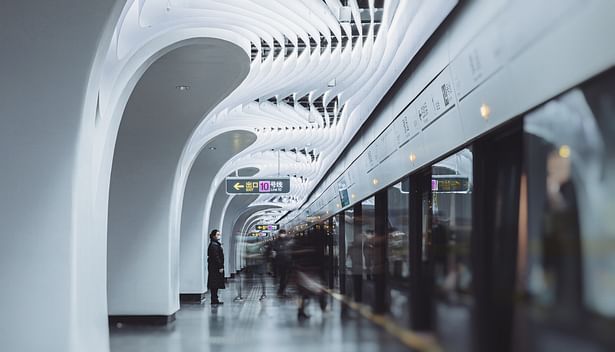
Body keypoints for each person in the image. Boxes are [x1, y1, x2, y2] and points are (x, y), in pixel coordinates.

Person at [272, 229, 293, 297]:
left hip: (288, 262)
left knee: (286, 277)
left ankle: (281, 291)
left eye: (283, 233)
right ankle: (281, 291)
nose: (282, 235)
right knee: (283, 277)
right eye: (282, 233)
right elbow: (274, 251)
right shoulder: (276, 242)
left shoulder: (288, 240)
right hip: (281, 262)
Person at [207, 229, 225, 305]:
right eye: (217, 234)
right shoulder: (214, 245)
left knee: (215, 283)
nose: (219, 236)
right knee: (214, 283)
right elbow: (216, 257)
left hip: (213, 267)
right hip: (215, 267)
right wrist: (220, 266)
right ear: (213, 236)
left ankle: (215, 299)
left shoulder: (214, 244)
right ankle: (214, 299)